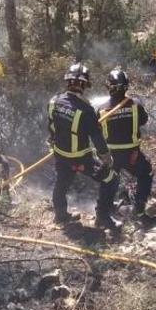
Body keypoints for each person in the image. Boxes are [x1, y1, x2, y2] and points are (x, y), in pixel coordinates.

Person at [47, 63, 120, 231]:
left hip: (60, 154)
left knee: (61, 183)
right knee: (111, 179)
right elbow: (97, 137)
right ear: (84, 85)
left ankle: (60, 215)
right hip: (81, 158)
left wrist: (53, 141)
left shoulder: (54, 101)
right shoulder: (86, 110)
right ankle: (103, 217)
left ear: (68, 82)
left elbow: (51, 127)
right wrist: (106, 157)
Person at [98, 69, 156, 224]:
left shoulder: (101, 109)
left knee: (108, 182)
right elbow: (143, 121)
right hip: (132, 155)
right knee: (146, 174)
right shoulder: (135, 105)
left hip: (110, 156)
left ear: (108, 86)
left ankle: (103, 215)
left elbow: (96, 131)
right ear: (126, 86)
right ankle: (138, 210)